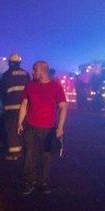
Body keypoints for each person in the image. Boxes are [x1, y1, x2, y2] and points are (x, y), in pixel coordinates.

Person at [17, 61, 67, 195]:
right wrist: (19, 123)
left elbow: (63, 107)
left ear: (42, 71)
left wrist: (60, 128)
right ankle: (29, 182)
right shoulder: (30, 85)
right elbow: (24, 105)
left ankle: (44, 182)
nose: (32, 72)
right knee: (29, 156)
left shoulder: (56, 86)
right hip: (31, 127)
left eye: (35, 70)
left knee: (46, 158)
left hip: (49, 129)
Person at [0, 52, 30, 160]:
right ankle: (24, 151)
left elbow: (0, 91)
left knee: (11, 130)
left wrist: (0, 104)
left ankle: (14, 154)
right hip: (25, 107)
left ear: (10, 63)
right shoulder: (26, 74)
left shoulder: (7, 74)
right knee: (22, 128)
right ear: (19, 63)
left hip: (10, 107)